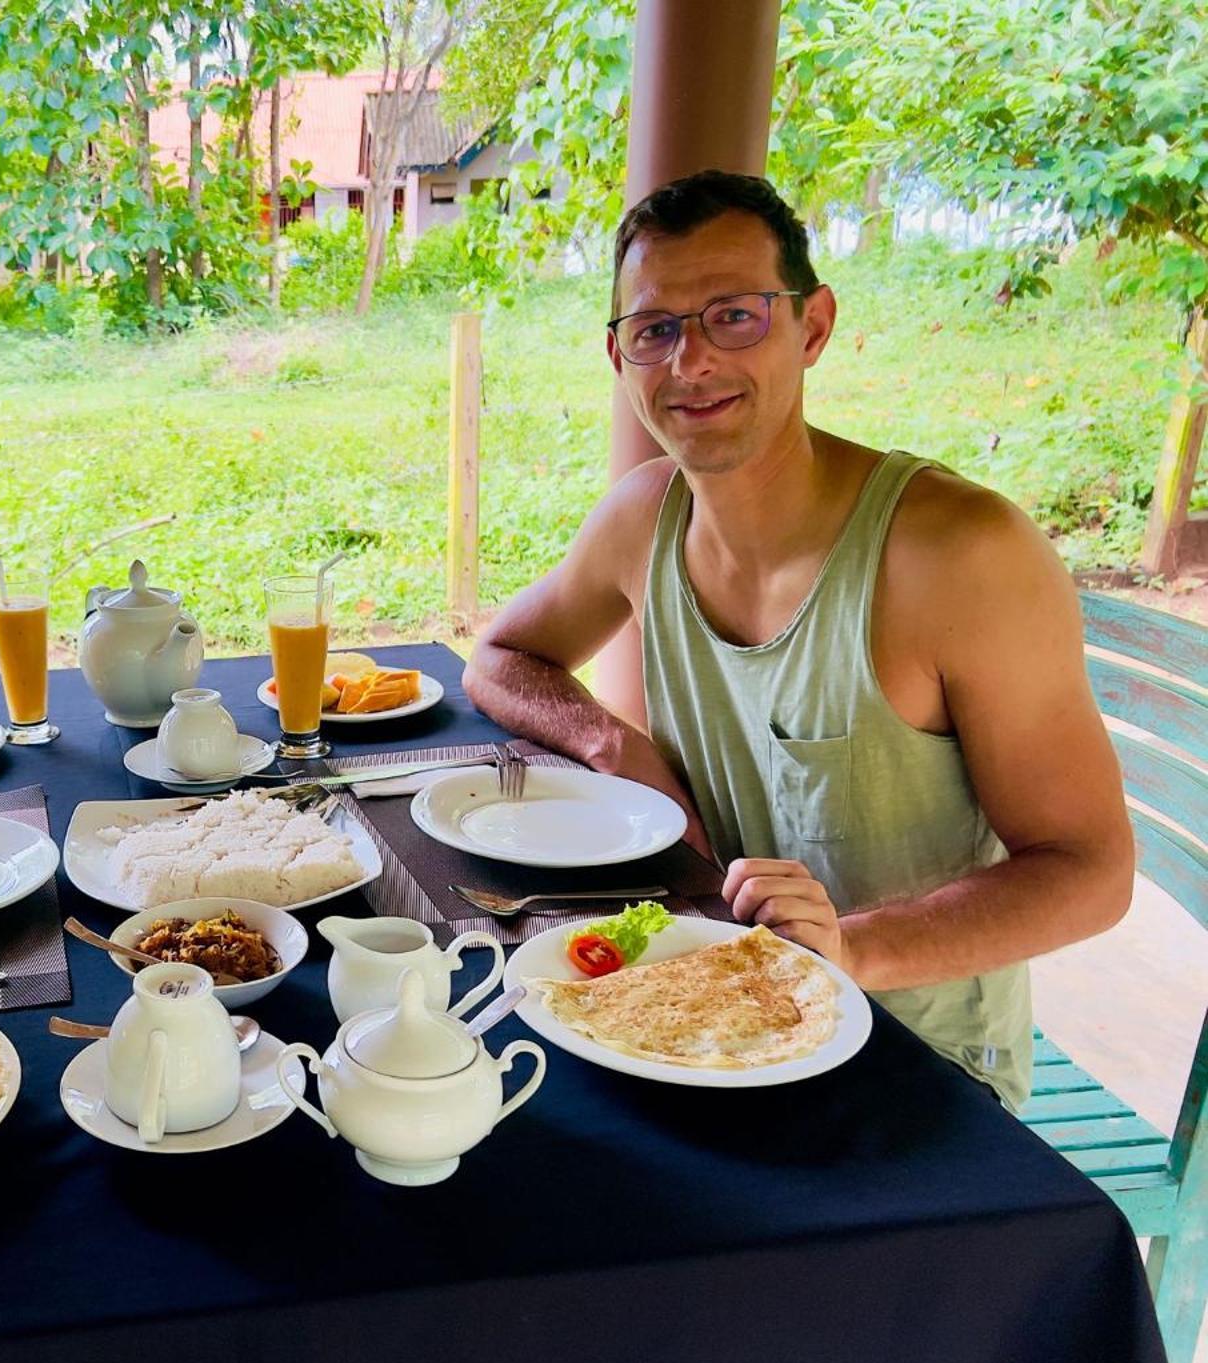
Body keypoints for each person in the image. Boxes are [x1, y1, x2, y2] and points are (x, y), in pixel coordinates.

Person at [461, 170, 1133, 1108]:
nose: (689, 363)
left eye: (733, 316)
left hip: (914, 1071)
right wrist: (612, 741)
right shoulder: (643, 517)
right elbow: (502, 658)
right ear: (619, 359)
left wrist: (853, 948)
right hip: (696, 1017)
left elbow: (1091, 873)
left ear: (812, 326)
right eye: (656, 330)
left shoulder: (958, 555)